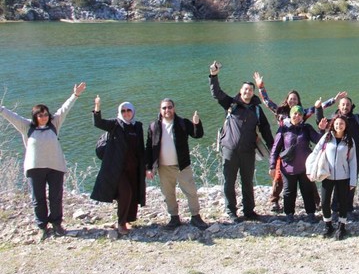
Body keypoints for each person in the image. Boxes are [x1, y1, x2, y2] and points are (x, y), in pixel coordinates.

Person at [1, 82, 86, 240]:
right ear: (35, 116)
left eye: (46, 114)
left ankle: (57, 224)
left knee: (56, 197)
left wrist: (75, 95)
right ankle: (42, 227)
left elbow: (64, 109)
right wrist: (1, 109)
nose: (44, 117)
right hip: (35, 168)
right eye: (40, 115)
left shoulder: (54, 124)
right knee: (38, 199)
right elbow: (11, 116)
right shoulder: (27, 127)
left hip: (55, 167)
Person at [253, 72, 343, 213]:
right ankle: (274, 200)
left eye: (295, 99)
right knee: (278, 175)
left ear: (298, 102)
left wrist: (333, 100)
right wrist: (261, 87)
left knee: (307, 175)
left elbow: (317, 107)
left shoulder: (302, 113)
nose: (292, 101)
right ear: (287, 100)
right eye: (290, 99)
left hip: (300, 146)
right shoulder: (280, 112)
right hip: (284, 146)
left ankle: (316, 201)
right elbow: (267, 101)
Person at [209, 61, 274, 222]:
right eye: (245, 89)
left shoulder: (257, 109)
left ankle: (249, 211)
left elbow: (265, 129)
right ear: (241, 91)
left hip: (247, 151)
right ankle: (231, 212)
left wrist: (273, 148)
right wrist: (213, 75)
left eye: (250, 90)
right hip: (229, 149)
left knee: (247, 182)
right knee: (229, 182)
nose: (248, 91)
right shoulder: (231, 104)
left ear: (253, 93)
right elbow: (216, 93)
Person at [145, 98, 208, 230]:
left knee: (191, 191)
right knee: (168, 194)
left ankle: (195, 217)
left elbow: (198, 135)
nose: (167, 110)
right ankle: (174, 218)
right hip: (163, 167)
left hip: (182, 165)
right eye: (164, 108)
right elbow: (149, 148)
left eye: (169, 107)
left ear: (174, 108)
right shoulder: (154, 126)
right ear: (160, 110)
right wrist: (149, 167)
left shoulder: (182, 123)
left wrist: (197, 124)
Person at [90, 96, 146, 236]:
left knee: (133, 193)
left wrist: (145, 166)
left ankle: (128, 219)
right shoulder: (115, 124)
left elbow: (140, 147)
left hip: (134, 167)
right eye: (123, 110)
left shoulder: (137, 126)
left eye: (129, 110)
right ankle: (121, 223)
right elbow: (98, 123)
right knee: (125, 192)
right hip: (118, 168)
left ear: (133, 111)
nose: (126, 113)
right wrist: (97, 107)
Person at [269, 105, 320, 222]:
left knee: (307, 190)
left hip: (304, 167)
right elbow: (275, 148)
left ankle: (311, 213)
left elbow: (318, 140)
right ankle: (289, 214)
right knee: (289, 192)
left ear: (302, 117)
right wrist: (272, 165)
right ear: (290, 114)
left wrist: (321, 129)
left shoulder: (307, 128)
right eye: (295, 113)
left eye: (300, 114)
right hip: (287, 168)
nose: (297, 116)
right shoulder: (283, 129)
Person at [315, 94, 359, 217]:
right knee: (335, 182)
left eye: (347, 105)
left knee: (350, 182)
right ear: (339, 106)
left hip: (354, 157)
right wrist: (318, 109)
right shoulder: (334, 119)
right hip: (335, 157)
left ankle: (348, 208)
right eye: (343, 104)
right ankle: (335, 208)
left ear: (351, 106)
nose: (345, 107)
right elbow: (321, 123)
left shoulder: (357, 118)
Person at [316, 114, 358, 239]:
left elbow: (352, 161)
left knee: (343, 203)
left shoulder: (349, 140)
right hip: (327, 175)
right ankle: (328, 225)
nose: (339, 126)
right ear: (333, 124)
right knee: (324, 202)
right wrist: (310, 168)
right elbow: (316, 150)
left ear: (345, 126)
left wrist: (353, 180)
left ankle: (342, 226)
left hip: (343, 176)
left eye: (342, 124)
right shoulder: (327, 137)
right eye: (337, 123)